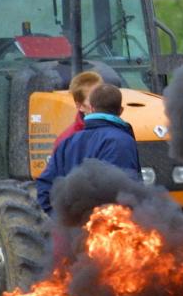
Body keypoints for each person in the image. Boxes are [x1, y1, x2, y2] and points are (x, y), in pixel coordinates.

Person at [37, 83, 140, 216]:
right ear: (120, 111)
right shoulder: (121, 141)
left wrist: (61, 220)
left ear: (91, 108)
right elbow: (120, 194)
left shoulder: (68, 141)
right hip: (105, 231)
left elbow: (45, 184)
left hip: (74, 232)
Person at [53, 70, 103, 150]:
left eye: (103, 95)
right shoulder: (66, 142)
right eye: (94, 99)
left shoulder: (122, 128)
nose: (102, 101)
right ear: (80, 106)